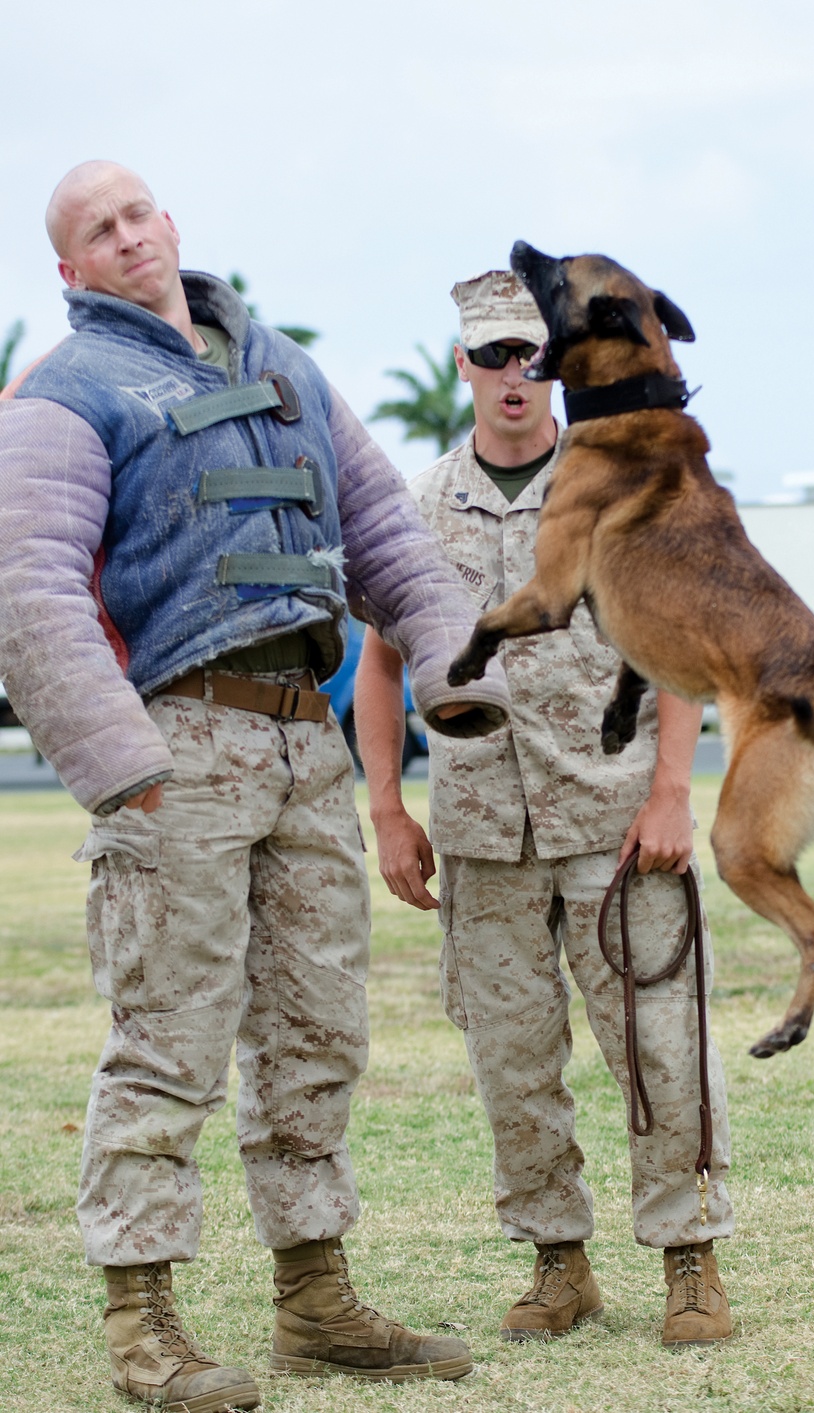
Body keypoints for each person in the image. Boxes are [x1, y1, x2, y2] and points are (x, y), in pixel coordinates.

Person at [0, 163, 512, 1411]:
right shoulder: (63, 395)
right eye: (97, 233)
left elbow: (387, 530)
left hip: (305, 750)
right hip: (183, 747)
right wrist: (126, 771)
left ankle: (315, 1300)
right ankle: (144, 1324)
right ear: (71, 271)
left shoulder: (281, 361)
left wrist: (451, 666)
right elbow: (28, 588)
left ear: (171, 223)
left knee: (318, 1034)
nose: (128, 239)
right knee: (166, 1040)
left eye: (139, 214)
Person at [355, 269, 736, 1349]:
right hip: (482, 834)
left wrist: (671, 794)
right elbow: (378, 670)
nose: (513, 378)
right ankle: (556, 1264)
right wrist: (388, 810)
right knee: (513, 1061)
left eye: (532, 355)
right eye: (491, 358)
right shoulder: (416, 509)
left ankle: (689, 1260)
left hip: (617, 825)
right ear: (462, 366)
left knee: (660, 1045)